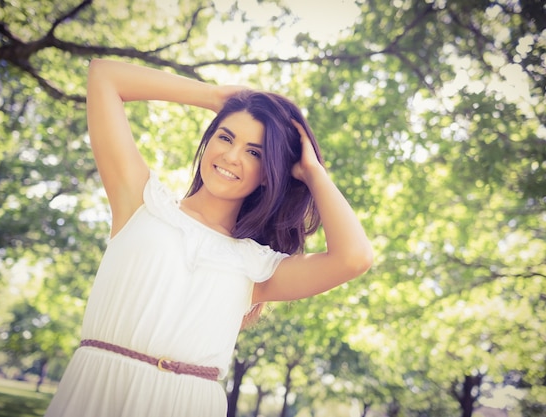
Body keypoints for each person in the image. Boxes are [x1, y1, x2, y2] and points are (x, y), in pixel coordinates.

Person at [44, 59, 373, 417]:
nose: (231, 156)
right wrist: (213, 96)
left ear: (268, 175)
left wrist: (312, 172)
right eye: (226, 137)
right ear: (209, 138)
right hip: (96, 395)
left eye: (254, 153)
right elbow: (104, 76)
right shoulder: (141, 202)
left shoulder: (258, 267)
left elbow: (354, 258)